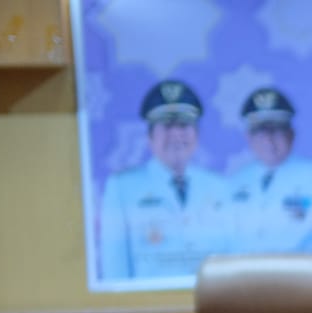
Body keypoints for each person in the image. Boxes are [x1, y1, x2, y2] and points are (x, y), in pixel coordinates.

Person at [99, 79, 231, 281]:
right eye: (167, 126)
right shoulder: (122, 188)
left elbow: (232, 261)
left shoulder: (219, 187)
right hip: (150, 300)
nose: (176, 134)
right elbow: (114, 272)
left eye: (184, 125)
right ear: (150, 136)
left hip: (212, 298)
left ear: (197, 135)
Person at [230, 86, 312, 253]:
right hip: (244, 270)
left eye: (276, 130)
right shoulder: (235, 181)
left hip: (305, 270)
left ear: (291, 134)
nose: (269, 140)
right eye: (261, 132)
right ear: (248, 137)